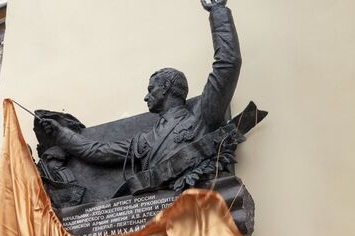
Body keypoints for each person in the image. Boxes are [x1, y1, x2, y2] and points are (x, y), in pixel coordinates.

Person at [40, 0, 240, 187]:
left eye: (151, 89)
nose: (146, 97)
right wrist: (61, 134)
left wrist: (218, 11)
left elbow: (227, 65)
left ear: (167, 87)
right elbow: (99, 152)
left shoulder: (200, 118)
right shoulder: (144, 141)